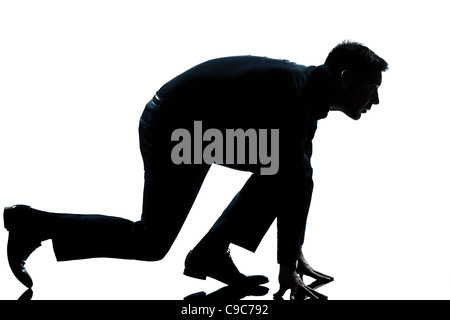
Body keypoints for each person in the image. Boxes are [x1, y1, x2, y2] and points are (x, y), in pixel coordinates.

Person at [4, 41, 388, 300]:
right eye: (372, 87)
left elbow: (298, 176)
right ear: (345, 79)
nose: (377, 100)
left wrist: (293, 251)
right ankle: (32, 224)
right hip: (172, 127)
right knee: (151, 243)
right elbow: (296, 177)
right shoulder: (295, 95)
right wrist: (288, 263)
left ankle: (209, 254)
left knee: (289, 169)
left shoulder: (307, 94)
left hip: (201, 128)